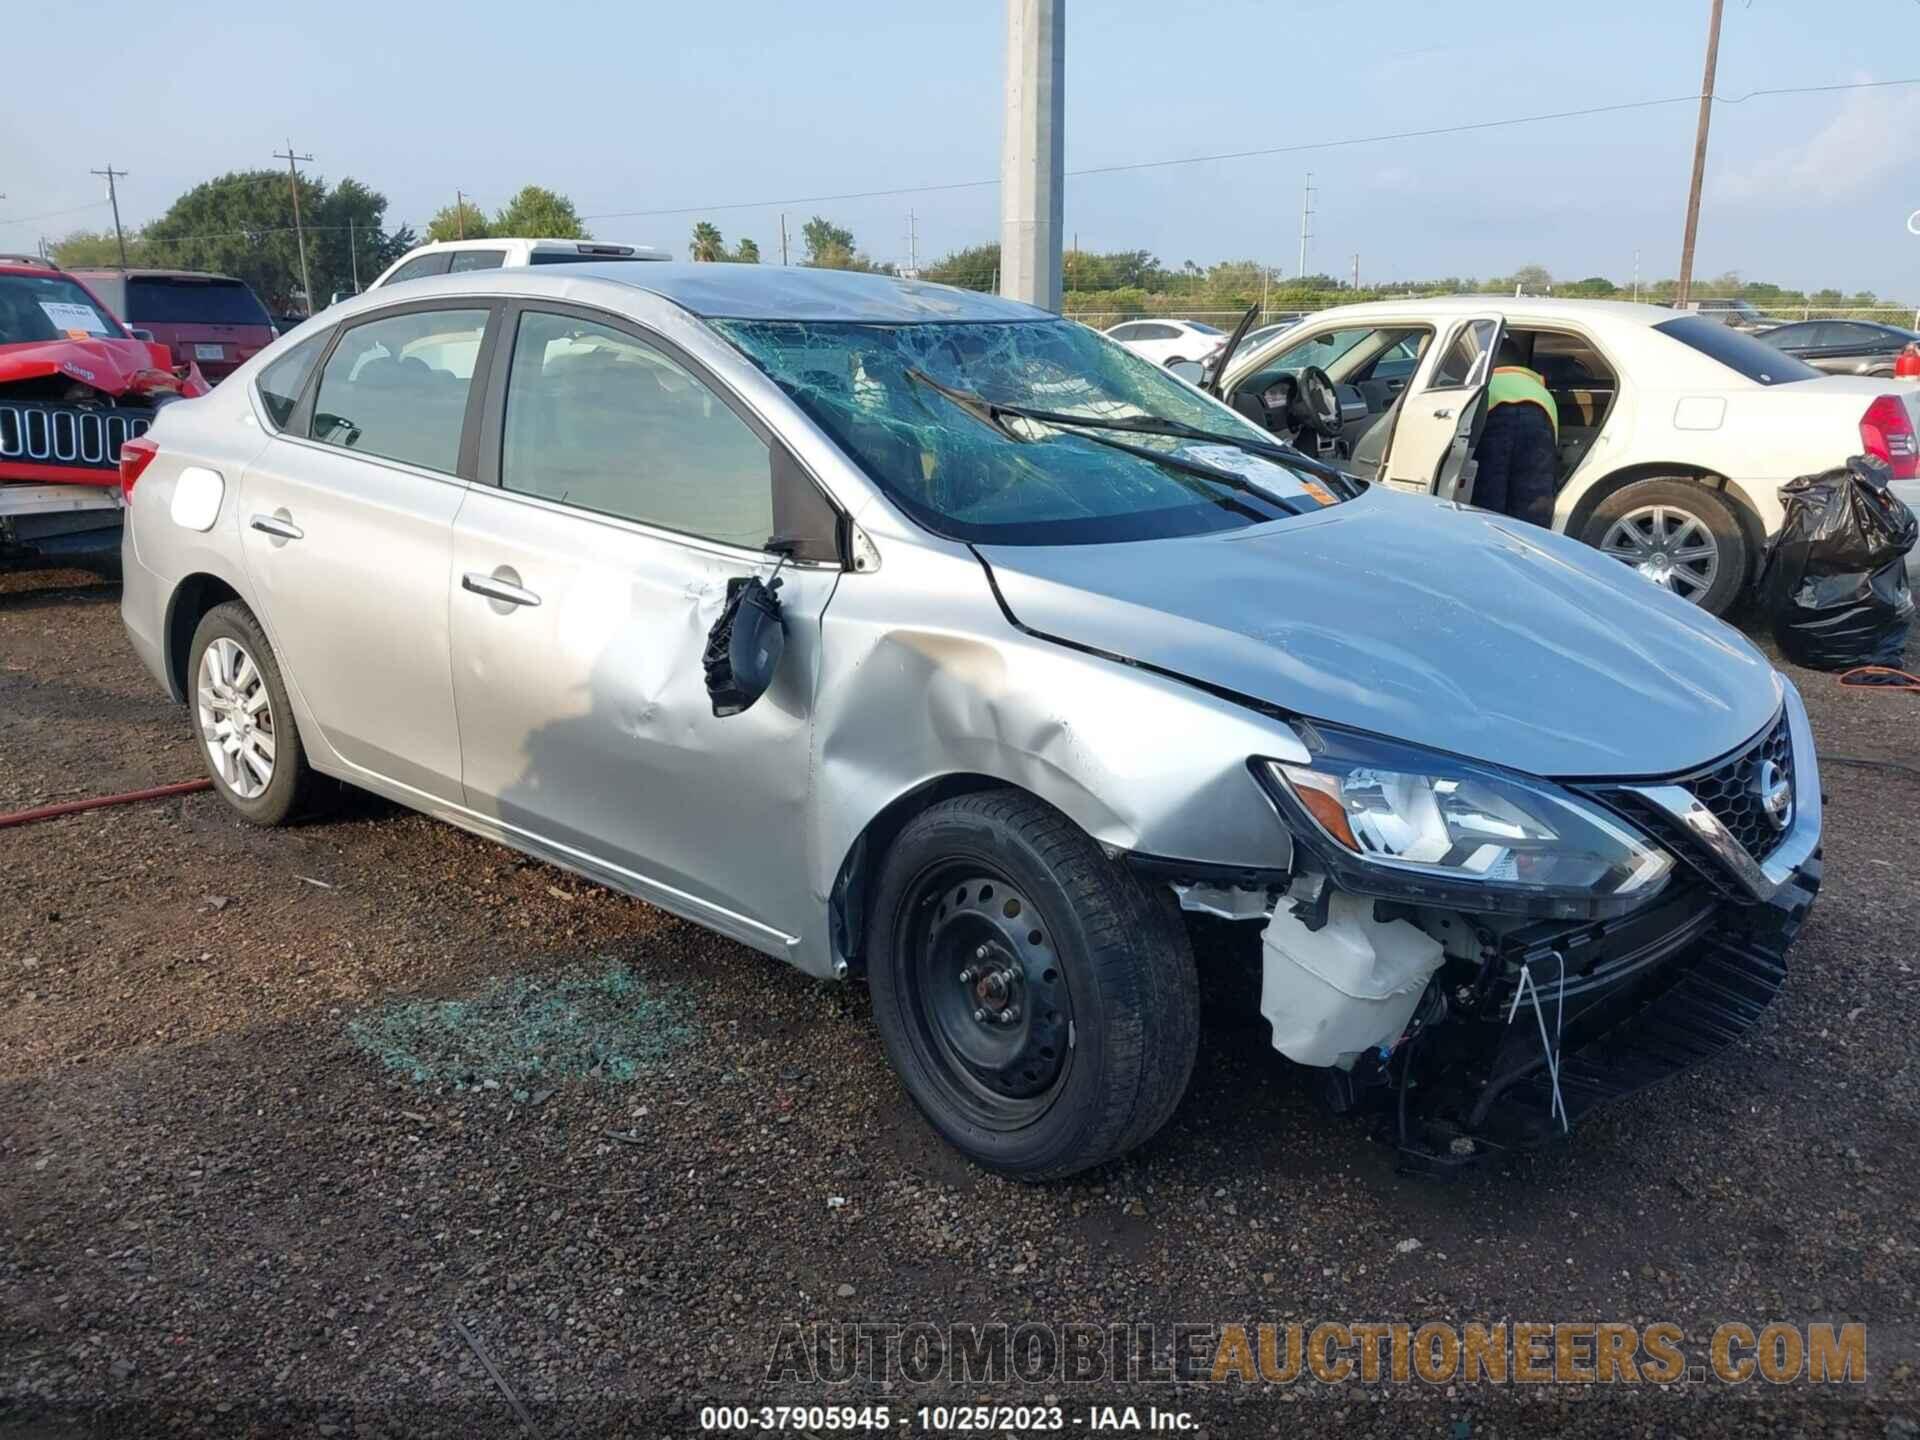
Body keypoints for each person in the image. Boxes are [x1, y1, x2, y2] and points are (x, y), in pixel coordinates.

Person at [1472, 336, 1559, 527]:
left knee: (1488, 494)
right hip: (1538, 422)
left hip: (1493, 416)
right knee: (1533, 498)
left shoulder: (1484, 384)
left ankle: (1490, 538)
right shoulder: (1539, 389)